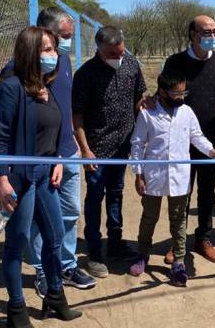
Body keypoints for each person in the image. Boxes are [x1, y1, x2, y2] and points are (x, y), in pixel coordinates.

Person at [0, 26, 81, 327]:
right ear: (30, 51)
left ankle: (54, 297)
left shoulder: (47, 86)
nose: (54, 54)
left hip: (45, 174)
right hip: (20, 178)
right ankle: (16, 311)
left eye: (54, 48)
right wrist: (2, 181)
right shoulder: (11, 87)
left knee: (54, 238)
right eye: (47, 49)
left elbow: (53, 129)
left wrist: (56, 159)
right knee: (17, 243)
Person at [12, 8, 97, 296]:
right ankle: (41, 270)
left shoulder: (62, 61)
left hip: (67, 151)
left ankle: (67, 264)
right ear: (44, 34)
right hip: (41, 157)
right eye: (63, 38)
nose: (64, 46)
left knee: (70, 211)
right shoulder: (19, 71)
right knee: (42, 217)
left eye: (68, 39)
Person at [128, 70, 215, 286]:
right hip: (153, 177)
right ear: (162, 92)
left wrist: (211, 151)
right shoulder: (147, 114)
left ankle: (179, 262)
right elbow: (137, 144)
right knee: (149, 217)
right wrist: (138, 174)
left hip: (180, 177)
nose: (181, 97)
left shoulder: (187, 112)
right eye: (176, 93)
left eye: (184, 92)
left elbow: (196, 137)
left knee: (179, 220)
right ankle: (142, 254)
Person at [72, 25, 147, 278]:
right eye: (113, 54)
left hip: (123, 145)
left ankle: (115, 244)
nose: (119, 58)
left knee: (116, 193)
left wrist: (145, 119)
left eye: (121, 52)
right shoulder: (85, 74)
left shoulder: (131, 64)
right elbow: (77, 115)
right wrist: (85, 150)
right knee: (95, 197)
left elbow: (138, 97)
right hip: (96, 149)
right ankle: (94, 252)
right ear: (99, 50)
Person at [162, 15, 215, 264]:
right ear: (193, 34)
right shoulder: (175, 62)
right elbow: (163, 95)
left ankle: (204, 237)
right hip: (182, 142)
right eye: (207, 32)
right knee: (182, 193)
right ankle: (177, 241)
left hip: (213, 140)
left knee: (207, 192)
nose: (212, 36)